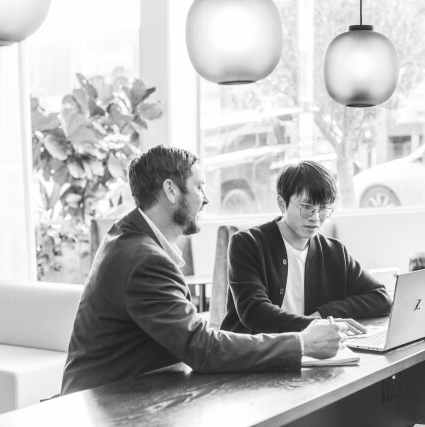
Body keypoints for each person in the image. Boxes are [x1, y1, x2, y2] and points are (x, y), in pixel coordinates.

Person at [61, 146, 347, 395]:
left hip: (127, 393)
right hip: (105, 402)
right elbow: (201, 347)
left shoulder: (128, 236)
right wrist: (302, 343)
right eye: (199, 187)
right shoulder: (144, 259)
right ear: (171, 190)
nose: (206, 199)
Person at [220, 160, 392, 335]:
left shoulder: (334, 252)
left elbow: (381, 298)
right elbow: (254, 311)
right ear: (282, 203)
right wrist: (316, 324)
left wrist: (325, 313)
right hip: (255, 349)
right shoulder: (247, 243)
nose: (315, 218)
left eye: (322, 208)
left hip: (310, 348)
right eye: (307, 207)